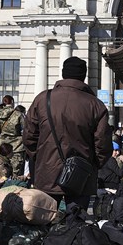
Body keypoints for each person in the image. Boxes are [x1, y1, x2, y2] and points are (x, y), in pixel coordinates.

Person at [23, 56, 111, 209]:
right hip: (81, 173)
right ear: (83, 76)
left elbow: (29, 137)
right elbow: (102, 145)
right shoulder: (95, 105)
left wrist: (40, 158)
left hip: (47, 170)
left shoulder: (43, 99)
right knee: (77, 222)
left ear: (63, 74)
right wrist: (92, 165)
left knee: (46, 218)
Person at [0, 95, 26, 176]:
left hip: (2, 145)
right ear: (12, 102)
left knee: (2, 172)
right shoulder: (18, 114)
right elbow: (25, 129)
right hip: (16, 146)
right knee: (16, 172)